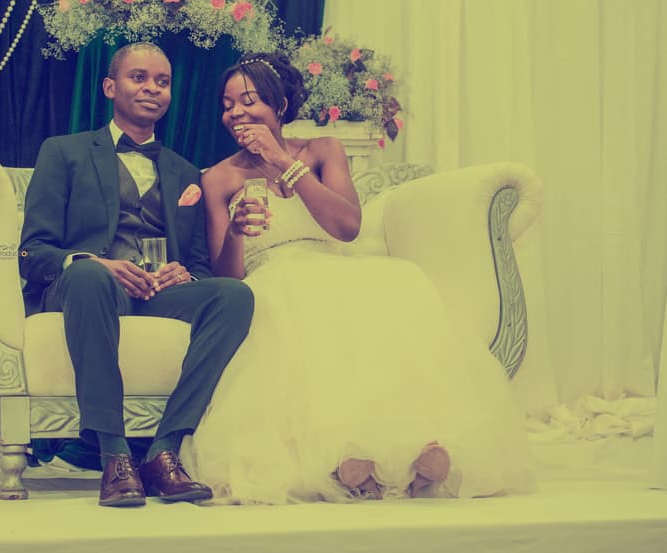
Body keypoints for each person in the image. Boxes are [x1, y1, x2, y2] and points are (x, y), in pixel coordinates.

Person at [179, 53, 533, 503]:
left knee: (398, 285)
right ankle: (342, 455)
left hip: (333, 264)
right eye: (227, 105)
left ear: (280, 105)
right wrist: (234, 231)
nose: (236, 114)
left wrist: (282, 162)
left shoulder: (321, 151)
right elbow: (226, 276)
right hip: (272, 277)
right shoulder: (219, 178)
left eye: (248, 101)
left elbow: (347, 228)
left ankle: (416, 445)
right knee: (296, 300)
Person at [19, 42, 255, 508]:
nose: (152, 88)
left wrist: (180, 273)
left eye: (162, 82)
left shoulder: (187, 173)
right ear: (110, 87)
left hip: (152, 293)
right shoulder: (63, 152)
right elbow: (32, 252)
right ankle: (114, 454)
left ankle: (165, 450)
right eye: (139, 77)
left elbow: (201, 266)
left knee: (233, 297)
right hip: (84, 290)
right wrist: (92, 263)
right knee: (89, 278)